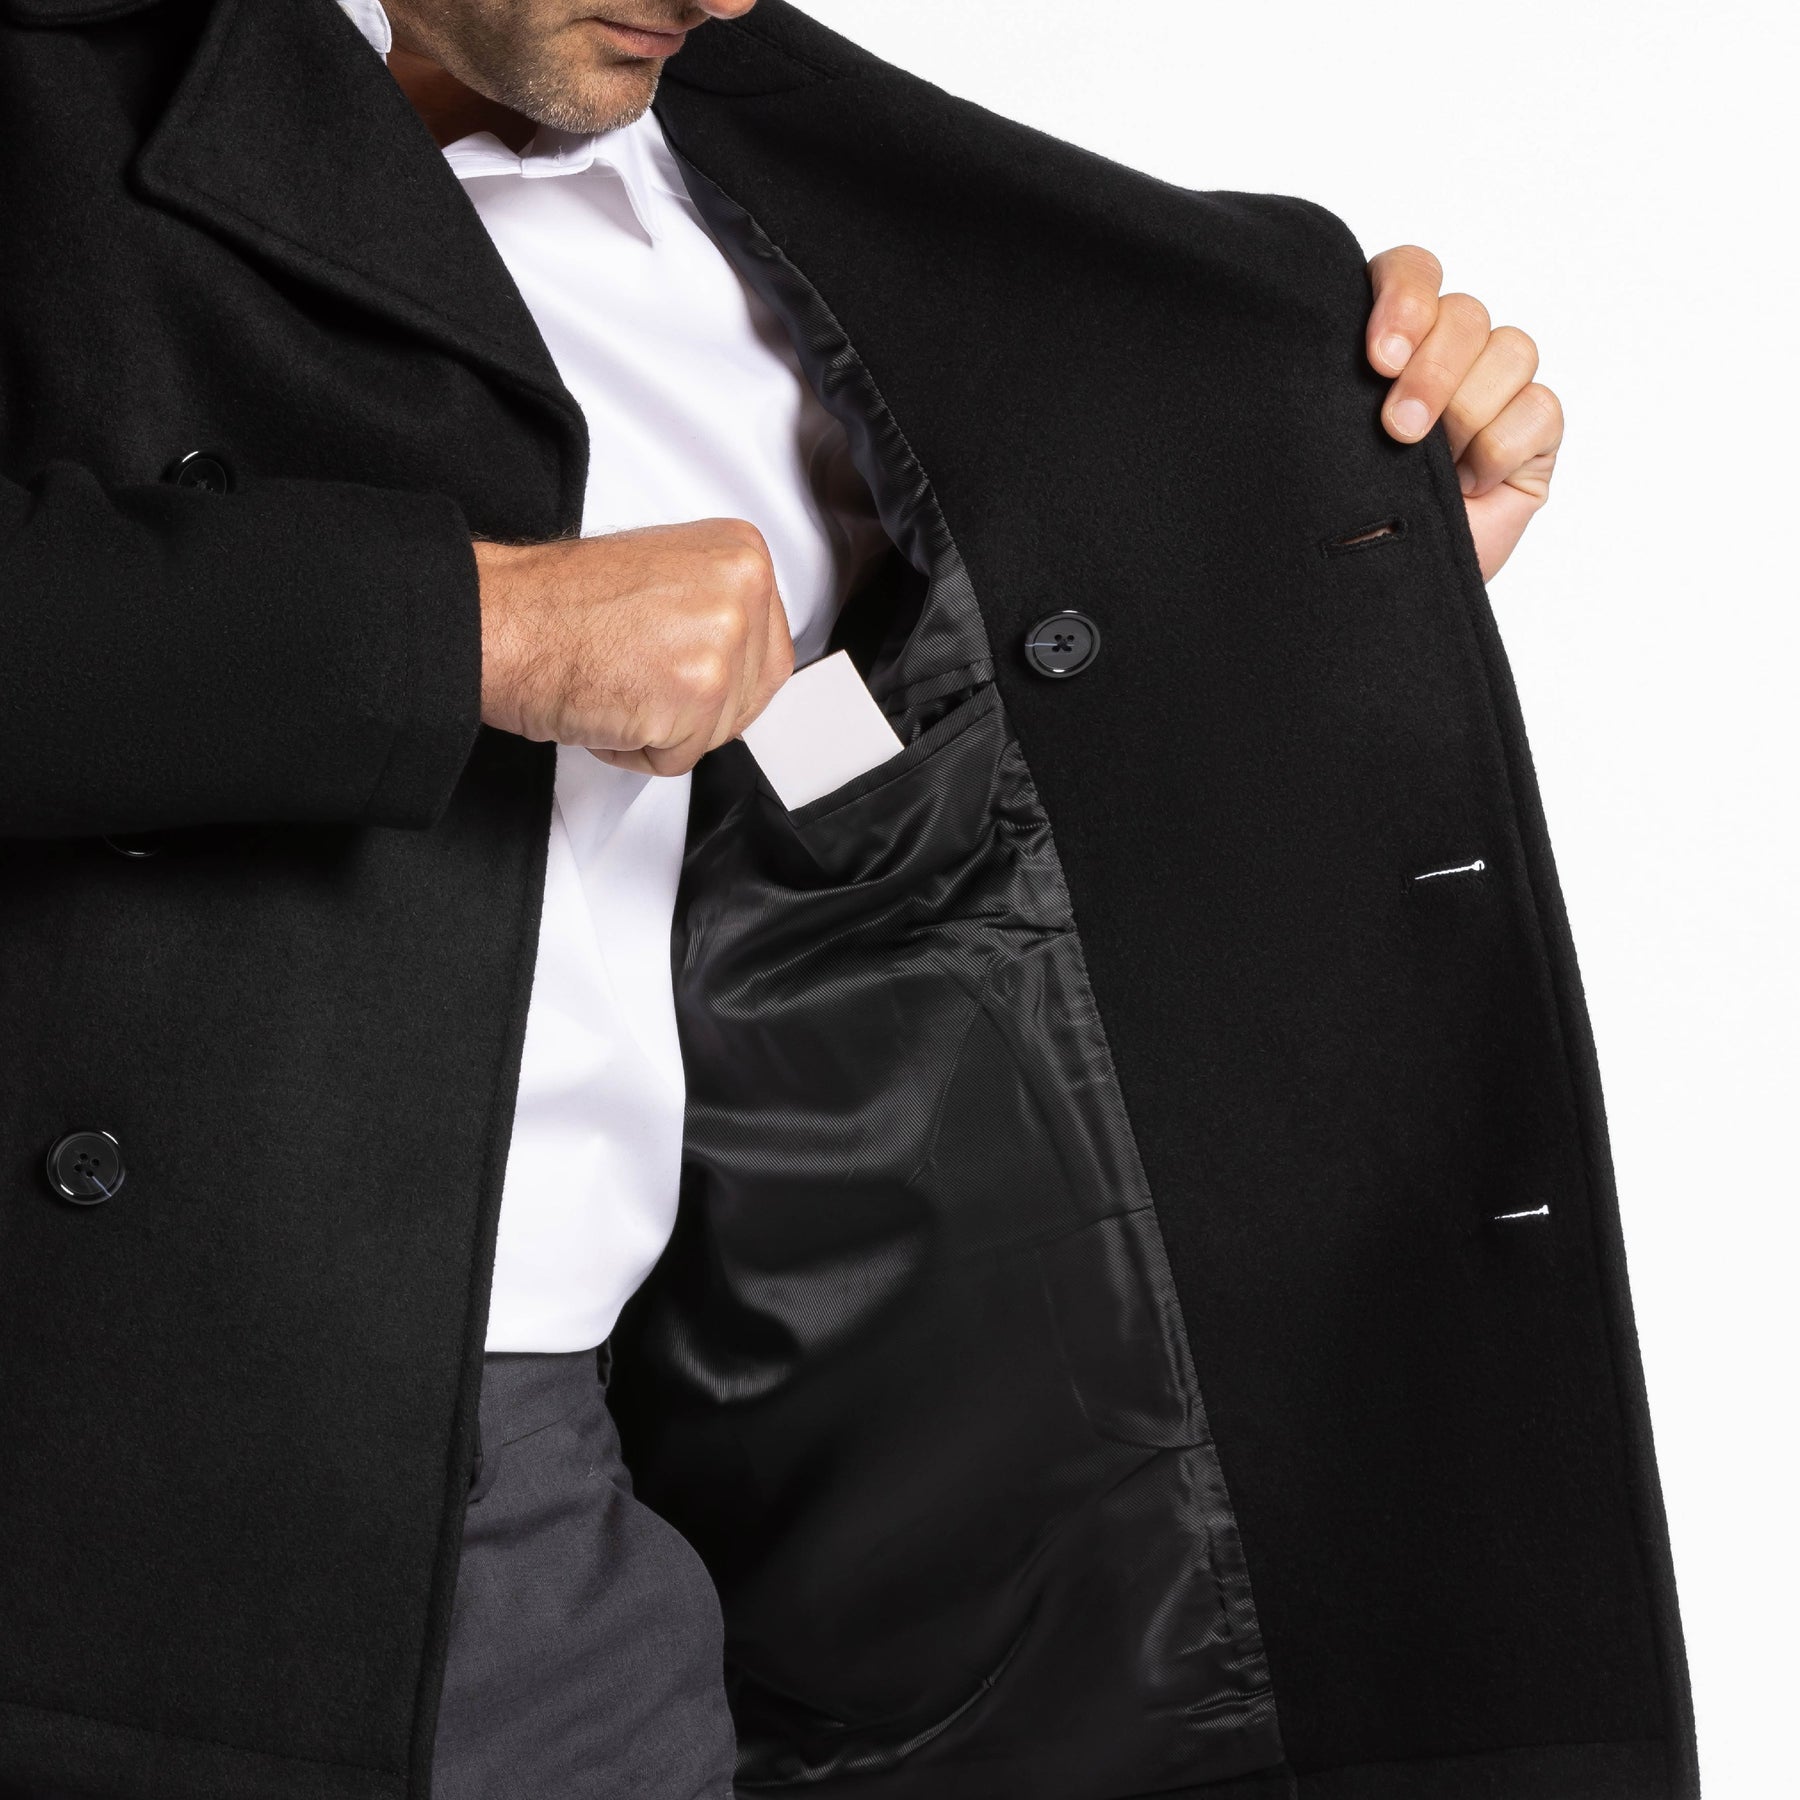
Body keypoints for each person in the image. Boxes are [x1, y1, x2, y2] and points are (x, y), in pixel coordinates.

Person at [0, 2, 1697, 1798]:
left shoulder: (778, 229)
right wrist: (472, 629)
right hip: (71, 1439)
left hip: (530, 1507)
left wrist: (1308, 570)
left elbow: (860, 785)